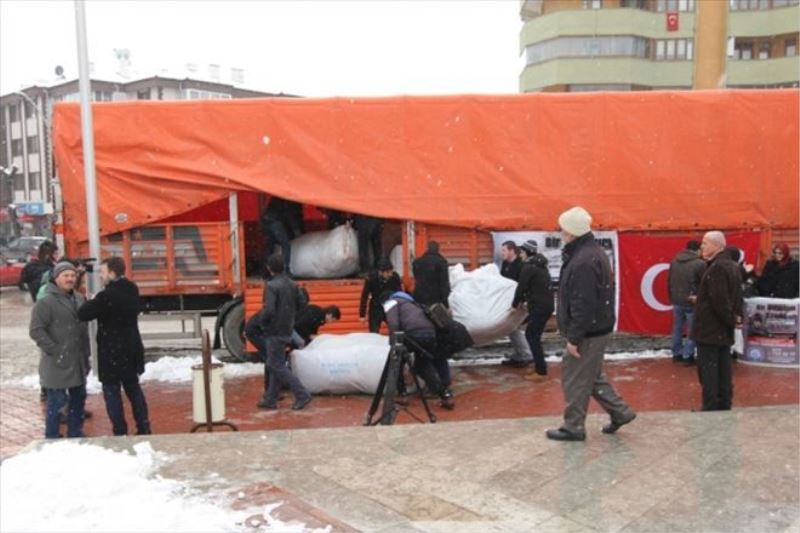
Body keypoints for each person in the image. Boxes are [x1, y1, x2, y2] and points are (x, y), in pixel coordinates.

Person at [546, 207, 636, 442]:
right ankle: (620, 412)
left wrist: (574, 338)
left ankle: (573, 427)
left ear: (572, 231)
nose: (561, 233)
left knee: (575, 379)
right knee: (591, 376)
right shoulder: (590, 253)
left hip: (587, 332)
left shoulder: (583, 260)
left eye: (563, 229)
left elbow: (583, 303)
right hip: (596, 328)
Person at [77, 257, 150, 436]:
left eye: (103, 272)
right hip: (131, 348)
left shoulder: (106, 296)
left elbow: (83, 314)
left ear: (112, 272)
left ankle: (120, 430)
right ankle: (144, 426)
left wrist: (91, 300)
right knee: (134, 389)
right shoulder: (132, 288)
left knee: (112, 392)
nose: (101, 276)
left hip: (111, 351)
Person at [29, 261, 91, 439]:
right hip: (56, 361)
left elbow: (83, 328)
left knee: (78, 398)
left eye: (72, 275)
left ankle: (75, 433)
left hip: (77, 359)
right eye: (65, 276)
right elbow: (36, 330)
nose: (70, 279)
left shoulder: (79, 298)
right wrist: (55, 350)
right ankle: (52, 436)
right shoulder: (46, 302)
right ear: (56, 278)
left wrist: (85, 354)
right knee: (56, 402)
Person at [691, 231, 743, 412]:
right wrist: (734, 318)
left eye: (705, 243)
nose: (702, 247)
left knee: (709, 372)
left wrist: (729, 319)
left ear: (716, 246)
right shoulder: (732, 266)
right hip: (721, 330)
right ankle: (723, 403)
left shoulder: (717, 268)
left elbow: (719, 300)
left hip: (711, 330)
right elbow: (734, 297)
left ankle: (711, 406)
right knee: (723, 371)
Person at [257, 253, 312, 410]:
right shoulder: (293, 284)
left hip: (274, 329)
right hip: (287, 328)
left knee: (275, 365)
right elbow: (302, 303)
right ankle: (270, 399)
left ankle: (302, 394)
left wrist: (262, 322)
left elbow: (269, 310)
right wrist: (290, 316)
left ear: (269, 268)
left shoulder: (271, 286)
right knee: (277, 363)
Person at [381, 291, 454, 409]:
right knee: (423, 366)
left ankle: (402, 395)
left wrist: (394, 343)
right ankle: (445, 395)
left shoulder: (391, 302)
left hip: (412, 333)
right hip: (430, 334)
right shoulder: (414, 304)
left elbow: (393, 323)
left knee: (396, 362)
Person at [512, 240, 554, 382]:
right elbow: (535, 287)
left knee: (532, 336)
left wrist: (514, 305)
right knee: (533, 335)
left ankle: (541, 371)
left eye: (522, 252)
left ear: (527, 252)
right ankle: (539, 366)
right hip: (545, 306)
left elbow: (521, 287)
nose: (520, 255)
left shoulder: (529, 267)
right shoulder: (541, 265)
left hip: (539, 307)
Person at [667, 240, 706, 365]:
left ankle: (676, 353)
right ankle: (687, 355)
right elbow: (704, 283)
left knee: (677, 328)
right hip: (692, 300)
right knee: (692, 330)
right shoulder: (700, 264)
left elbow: (669, 281)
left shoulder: (674, 261)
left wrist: (672, 296)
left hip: (677, 299)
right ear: (698, 250)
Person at [499, 241, 533, 369]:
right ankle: (521, 353)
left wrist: (520, 302)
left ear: (512, 251)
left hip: (520, 302)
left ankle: (525, 354)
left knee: (514, 328)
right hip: (509, 301)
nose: (502, 253)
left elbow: (522, 286)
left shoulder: (521, 265)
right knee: (511, 328)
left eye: (504, 250)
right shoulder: (505, 264)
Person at [359, 257, 403, 333]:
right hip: (375, 308)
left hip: (390, 307)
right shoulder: (371, 278)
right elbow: (364, 296)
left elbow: (399, 295)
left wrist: (400, 311)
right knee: (374, 333)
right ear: (380, 272)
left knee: (396, 330)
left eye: (391, 271)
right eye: (388, 272)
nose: (390, 274)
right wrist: (362, 314)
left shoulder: (395, 277)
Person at [260, 196, 294, 276]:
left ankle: (266, 271)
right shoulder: (287, 197)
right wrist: (295, 230)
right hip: (275, 221)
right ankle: (285, 269)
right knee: (285, 245)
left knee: (270, 247)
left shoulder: (278, 195)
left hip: (266, 221)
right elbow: (288, 215)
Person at [412, 241, 450, 308]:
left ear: (427, 249)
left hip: (419, 298)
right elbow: (444, 283)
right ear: (438, 249)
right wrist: (446, 303)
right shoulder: (442, 262)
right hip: (435, 299)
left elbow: (416, 277)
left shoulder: (417, 262)